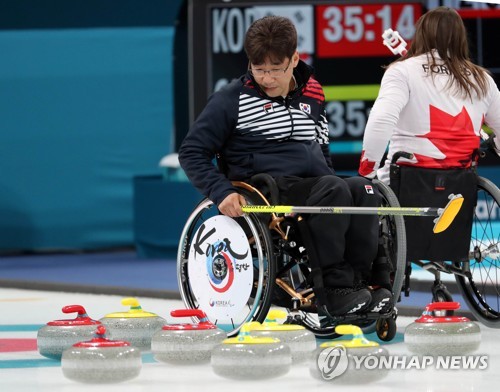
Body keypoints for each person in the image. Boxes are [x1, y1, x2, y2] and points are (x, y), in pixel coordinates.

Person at [179, 15, 392, 318]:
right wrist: (221, 192)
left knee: (364, 188)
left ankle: (363, 286)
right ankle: (333, 290)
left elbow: (322, 148)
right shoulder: (231, 99)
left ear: (294, 59)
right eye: (259, 69)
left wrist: (337, 184)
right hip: (266, 189)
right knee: (333, 189)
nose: (266, 78)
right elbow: (191, 152)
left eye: (275, 69)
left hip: (313, 184)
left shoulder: (314, 91)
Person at [359, 6, 500, 183]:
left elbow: (381, 120)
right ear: (460, 37)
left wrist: (366, 172)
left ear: (421, 34)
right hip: (462, 184)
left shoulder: (403, 71)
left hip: (404, 183)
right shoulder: (482, 78)